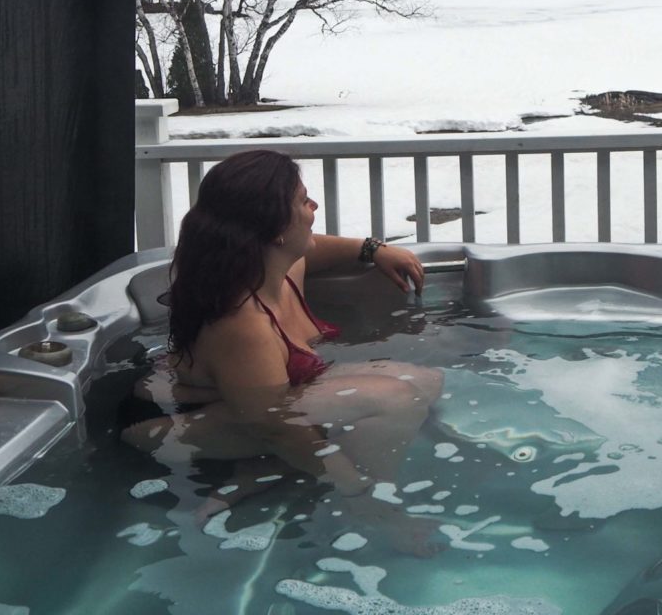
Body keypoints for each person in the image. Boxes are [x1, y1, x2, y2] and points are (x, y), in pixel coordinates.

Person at [120, 149, 443, 554]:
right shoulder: (243, 323)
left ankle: (268, 467)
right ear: (274, 230)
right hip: (169, 426)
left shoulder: (276, 266)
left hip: (239, 405)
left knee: (424, 381)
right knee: (395, 400)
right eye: (302, 200)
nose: (314, 206)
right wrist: (358, 491)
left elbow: (317, 247)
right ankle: (368, 510)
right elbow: (275, 424)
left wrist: (372, 249)